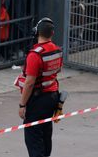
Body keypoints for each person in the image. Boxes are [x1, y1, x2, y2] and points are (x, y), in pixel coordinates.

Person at [16, 18, 63, 157]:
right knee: (46, 134)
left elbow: (29, 83)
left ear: (36, 32)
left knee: (34, 140)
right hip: (53, 97)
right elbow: (58, 70)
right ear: (52, 33)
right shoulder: (57, 50)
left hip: (37, 101)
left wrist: (22, 105)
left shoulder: (35, 55)